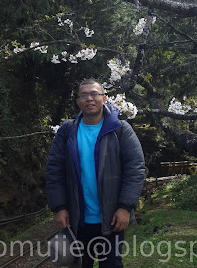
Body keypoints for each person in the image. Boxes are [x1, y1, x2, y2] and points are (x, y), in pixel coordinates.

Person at [46, 78, 146, 268]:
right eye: (84, 95)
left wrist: (125, 207)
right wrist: (59, 207)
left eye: (94, 94)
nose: (89, 99)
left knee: (111, 264)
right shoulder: (67, 131)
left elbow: (135, 168)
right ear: (78, 102)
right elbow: (54, 171)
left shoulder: (120, 130)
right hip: (78, 219)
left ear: (104, 98)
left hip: (112, 218)